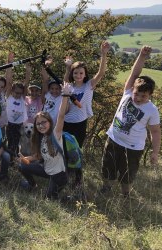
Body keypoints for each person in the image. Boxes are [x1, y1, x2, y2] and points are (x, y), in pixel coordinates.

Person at [100, 45, 161, 197]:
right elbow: (135, 73)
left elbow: (155, 131)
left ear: (150, 95)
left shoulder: (152, 110)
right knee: (108, 167)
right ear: (132, 89)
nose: (138, 98)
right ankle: (106, 188)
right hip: (114, 139)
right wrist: (142, 55)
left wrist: (155, 151)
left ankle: (125, 194)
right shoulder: (127, 93)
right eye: (137, 94)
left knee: (128, 173)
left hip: (133, 147)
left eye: (143, 96)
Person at [63, 40, 110, 187]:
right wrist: (67, 66)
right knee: (65, 149)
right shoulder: (69, 86)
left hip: (80, 124)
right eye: (75, 73)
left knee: (76, 151)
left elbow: (101, 73)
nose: (78, 75)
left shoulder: (89, 85)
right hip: (66, 123)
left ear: (85, 74)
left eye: (81, 73)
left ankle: (77, 179)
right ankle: (65, 176)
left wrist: (103, 54)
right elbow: (64, 81)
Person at [18, 82, 74, 200]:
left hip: (59, 175)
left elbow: (61, 116)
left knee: (51, 199)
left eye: (44, 122)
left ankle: (73, 198)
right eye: (38, 123)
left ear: (50, 122)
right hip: (47, 170)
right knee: (22, 165)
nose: (41, 125)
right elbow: (39, 156)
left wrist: (65, 96)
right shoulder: (40, 137)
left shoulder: (55, 133)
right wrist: (26, 159)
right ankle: (32, 185)